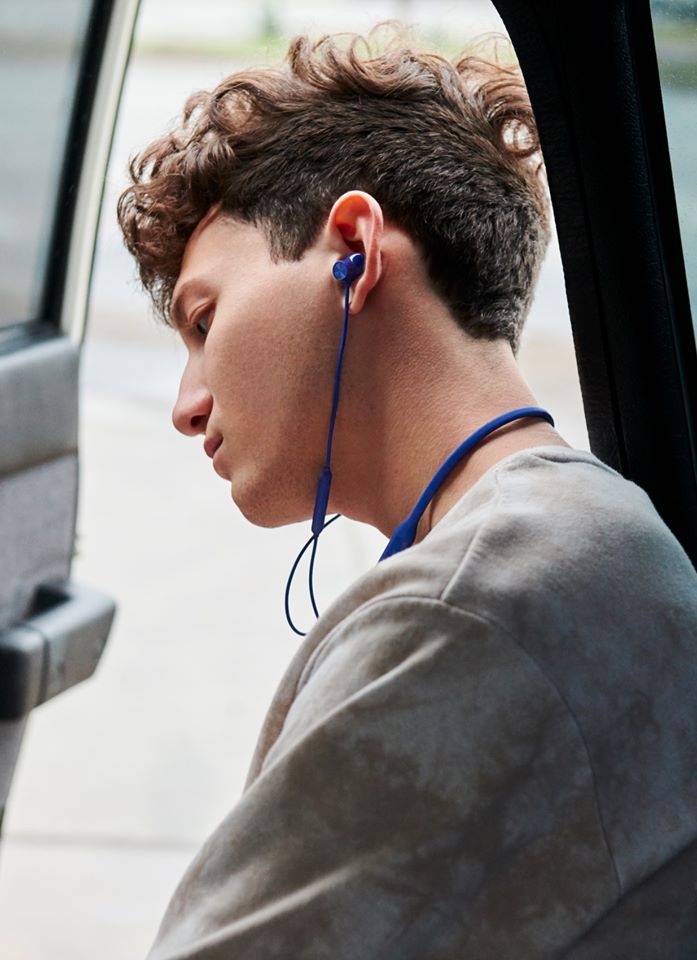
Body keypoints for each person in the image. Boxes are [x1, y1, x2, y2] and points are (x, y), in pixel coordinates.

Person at [117, 26, 697, 960]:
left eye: (205, 320)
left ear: (353, 248)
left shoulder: (477, 608)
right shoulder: (586, 532)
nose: (187, 407)